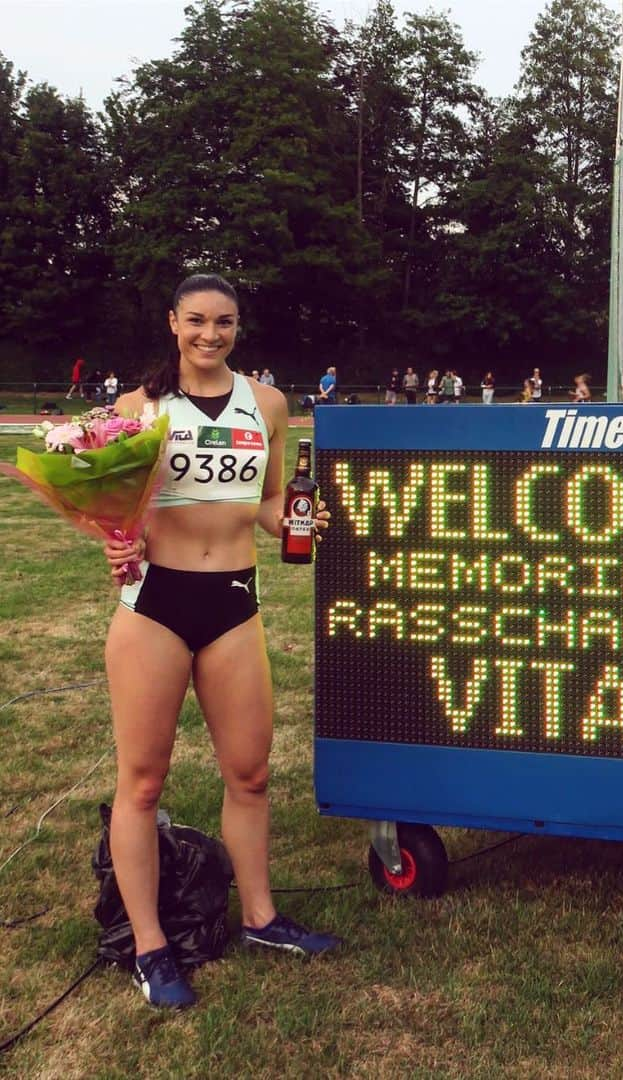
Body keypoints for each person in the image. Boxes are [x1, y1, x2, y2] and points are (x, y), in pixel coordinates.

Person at [102, 274, 340, 1010]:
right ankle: (150, 947)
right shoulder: (137, 408)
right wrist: (115, 541)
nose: (211, 335)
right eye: (197, 321)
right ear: (173, 322)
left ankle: (261, 917)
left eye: (226, 323)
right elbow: (115, 506)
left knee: (252, 774)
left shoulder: (268, 405)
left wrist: (297, 518)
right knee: (142, 782)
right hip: (156, 607)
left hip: (234, 602)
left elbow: (269, 500)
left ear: (239, 327)